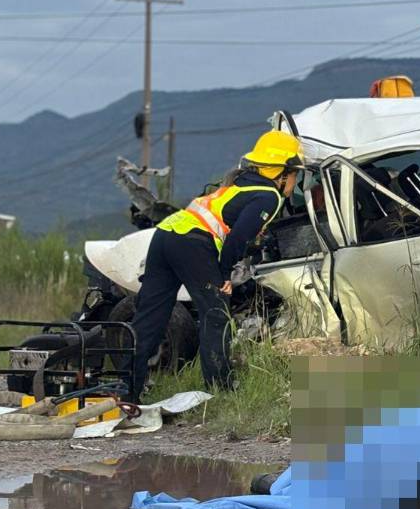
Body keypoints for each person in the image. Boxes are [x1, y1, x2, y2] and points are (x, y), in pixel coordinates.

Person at [127, 130, 302, 401]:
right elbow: (238, 237)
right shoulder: (269, 196)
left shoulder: (240, 183)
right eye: (295, 175)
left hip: (166, 235)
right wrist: (224, 275)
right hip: (193, 243)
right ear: (282, 173)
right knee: (216, 314)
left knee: (149, 318)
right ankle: (221, 391)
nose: (295, 182)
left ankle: (128, 391)